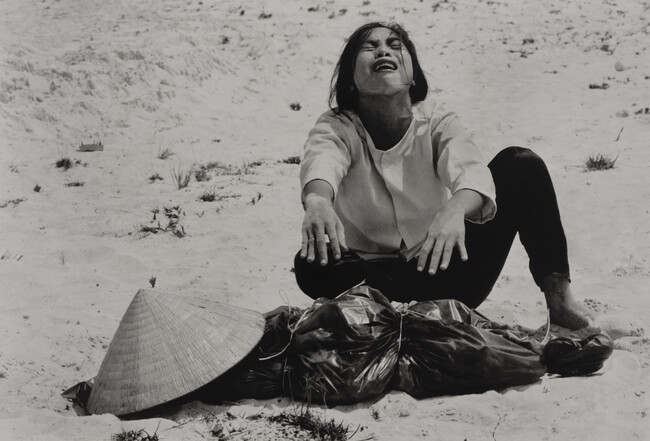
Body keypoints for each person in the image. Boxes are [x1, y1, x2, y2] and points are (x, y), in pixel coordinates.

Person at [294, 22, 593, 330]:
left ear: (413, 77)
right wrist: (317, 200)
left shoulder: (437, 122)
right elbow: (322, 159)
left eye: (395, 45)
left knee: (521, 166)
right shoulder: (337, 126)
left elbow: (471, 171)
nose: (383, 50)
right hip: (371, 281)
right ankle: (383, 319)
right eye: (369, 47)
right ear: (351, 80)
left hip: (445, 269)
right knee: (310, 263)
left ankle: (560, 301)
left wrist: (454, 209)